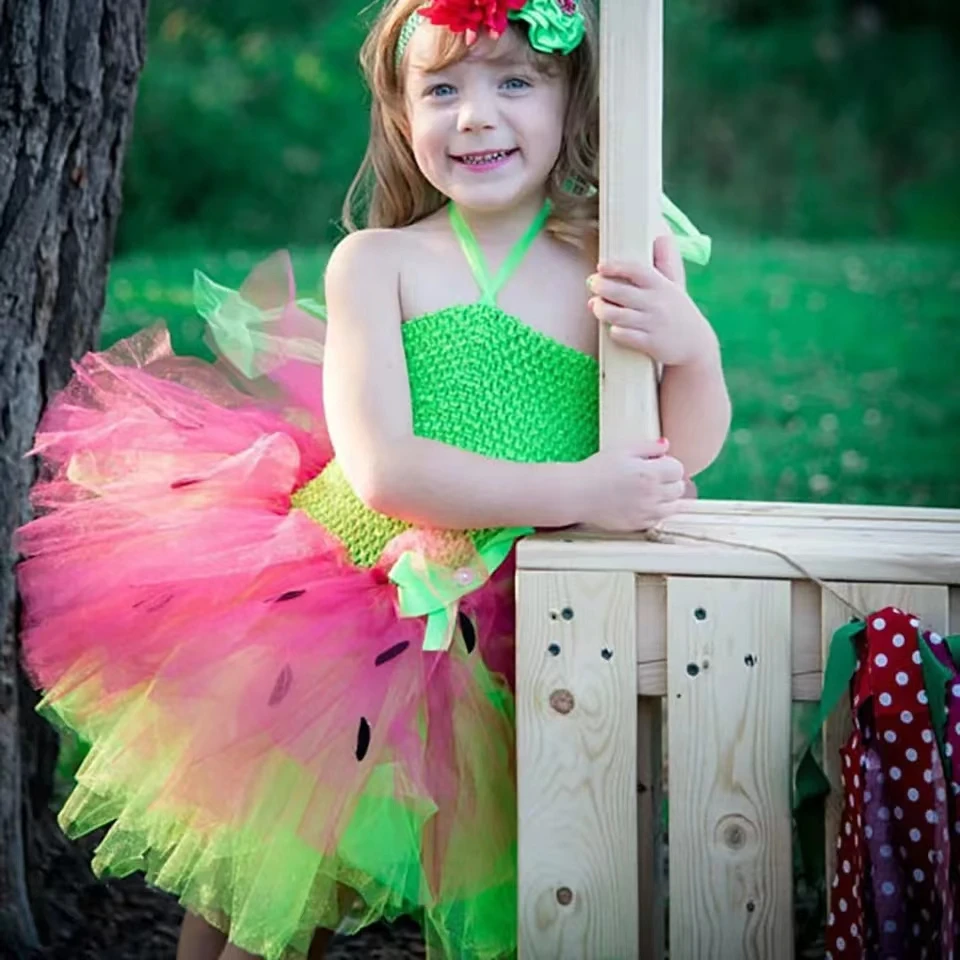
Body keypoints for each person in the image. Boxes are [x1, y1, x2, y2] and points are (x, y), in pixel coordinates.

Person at [14, 0, 731, 958]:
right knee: (260, 882)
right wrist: (583, 494)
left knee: (511, 879)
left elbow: (673, 454)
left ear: (573, 100)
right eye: (442, 89)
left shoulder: (613, 257)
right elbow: (385, 468)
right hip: (337, 598)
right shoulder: (380, 263)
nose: (475, 115)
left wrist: (693, 349)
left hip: (509, 618)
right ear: (401, 114)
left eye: (515, 81)